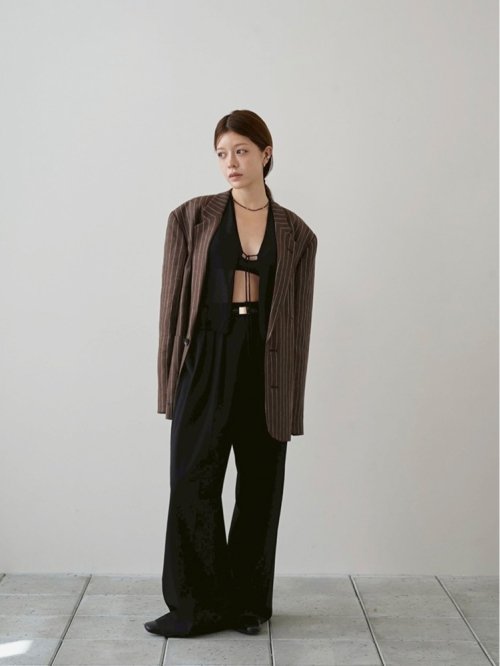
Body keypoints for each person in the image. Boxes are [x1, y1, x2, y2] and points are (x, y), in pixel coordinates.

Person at [144, 109, 318, 639]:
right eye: (222, 153)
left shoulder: (298, 234)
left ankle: (246, 605)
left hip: (264, 363)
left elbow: (298, 325)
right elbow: (171, 307)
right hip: (206, 355)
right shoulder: (190, 218)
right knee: (192, 480)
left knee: (260, 487)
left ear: (266, 153)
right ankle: (196, 605)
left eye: (241, 150)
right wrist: (169, 383)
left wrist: (291, 401)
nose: (230, 162)